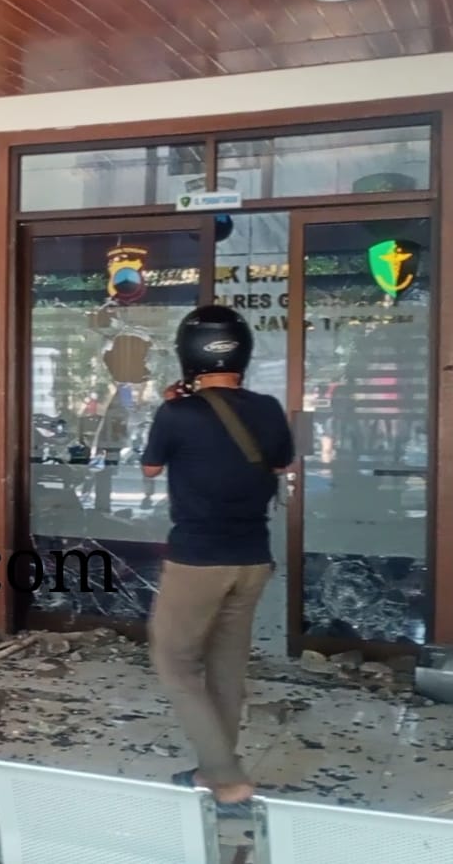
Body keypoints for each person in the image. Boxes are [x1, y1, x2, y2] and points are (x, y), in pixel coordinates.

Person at [139, 305, 293, 814]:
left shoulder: (176, 413)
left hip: (198, 560)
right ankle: (213, 769)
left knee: (175, 663)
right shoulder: (268, 408)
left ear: (187, 354)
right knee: (226, 668)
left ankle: (227, 781)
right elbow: (281, 465)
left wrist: (175, 408)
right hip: (252, 558)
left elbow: (151, 468)